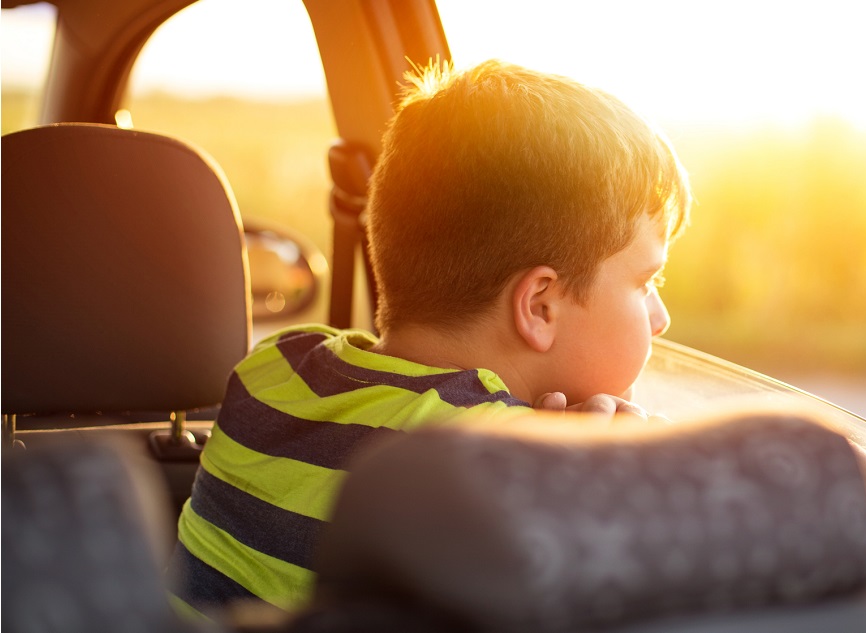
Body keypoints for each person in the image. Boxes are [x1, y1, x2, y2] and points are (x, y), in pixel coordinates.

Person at [168, 59, 692, 617]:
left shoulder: (272, 369)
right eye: (646, 282)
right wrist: (600, 471)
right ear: (540, 306)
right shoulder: (502, 464)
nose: (660, 317)